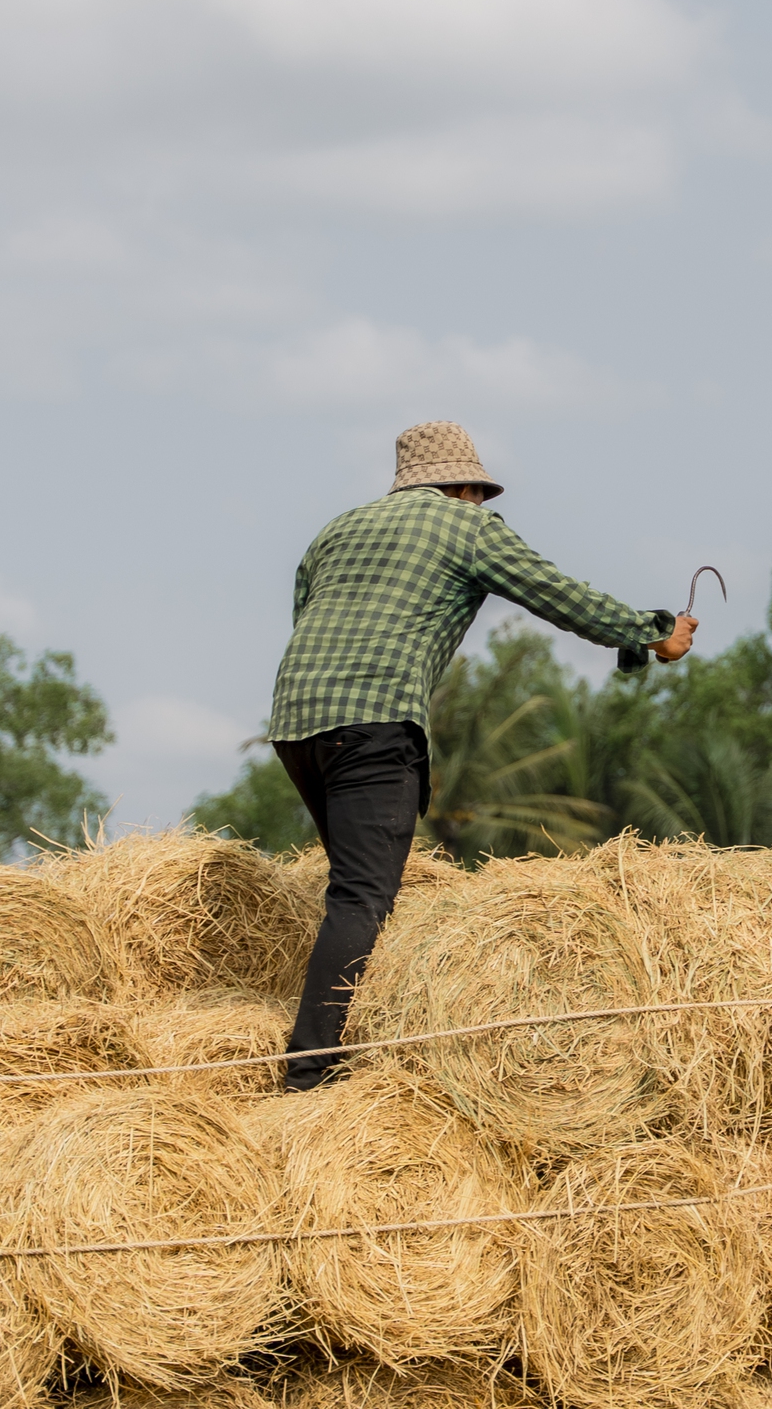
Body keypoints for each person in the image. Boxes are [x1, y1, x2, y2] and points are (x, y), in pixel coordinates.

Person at [266, 421, 697, 1092]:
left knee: (360, 893)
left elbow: (304, 617)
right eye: (480, 496)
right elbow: (557, 595)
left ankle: (358, 1040)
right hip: (376, 722)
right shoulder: (465, 527)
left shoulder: (337, 529)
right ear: (465, 486)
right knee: (362, 897)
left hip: (298, 723)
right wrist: (653, 634)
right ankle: (308, 1076)